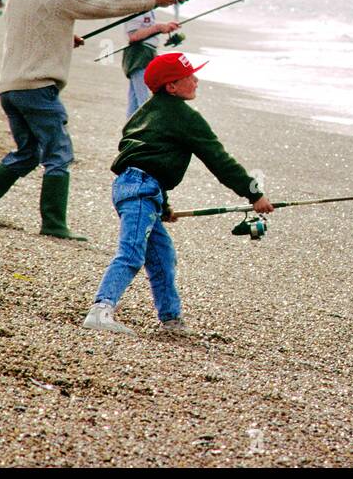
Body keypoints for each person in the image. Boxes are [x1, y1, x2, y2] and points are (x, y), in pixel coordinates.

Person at [0, 0, 179, 240]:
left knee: (27, 152)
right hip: (37, 88)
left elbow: (30, 26)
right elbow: (103, 3)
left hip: (10, 88)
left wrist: (62, 36)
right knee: (59, 153)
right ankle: (53, 223)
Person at [83, 52, 273, 335]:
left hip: (137, 187)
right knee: (132, 252)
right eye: (189, 76)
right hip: (142, 189)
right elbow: (219, 160)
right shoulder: (184, 117)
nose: (196, 80)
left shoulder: (145, 113)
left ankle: (171, 321)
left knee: (162, 256)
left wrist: (163, 204)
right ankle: (100, 310)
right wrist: (253, 195)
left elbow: (149, 155)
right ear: (171, 87)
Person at [119, 0, 179, 116]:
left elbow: (145, 31)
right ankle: (141, 135)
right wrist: (159, 27)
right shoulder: (134, 2)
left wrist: (165, 27)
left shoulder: (144, 2)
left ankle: (130, 136)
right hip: (139, 55)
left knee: (135, 101)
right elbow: (133, 36)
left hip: (146, 53)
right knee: (144, 101)